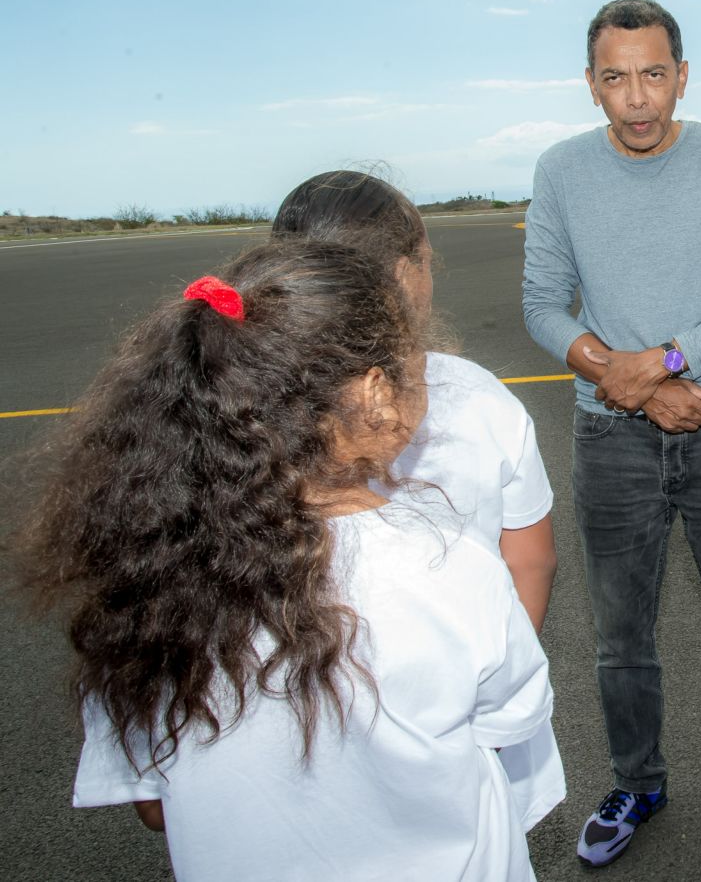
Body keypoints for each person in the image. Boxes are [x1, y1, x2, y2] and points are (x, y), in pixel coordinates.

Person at [25, 240, 555, 880]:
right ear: (375, 395)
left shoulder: (141, 587)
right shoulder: (452, 571)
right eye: (416, 374)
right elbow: (505, 724)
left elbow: (155, 807)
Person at [520, 0, 701, 867]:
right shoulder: (561, 170)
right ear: (591, 86)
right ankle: (637, 783)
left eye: (652, 74)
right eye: (615, 78)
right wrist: (630, 384)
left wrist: (666, 362)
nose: (637, 98)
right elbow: (540, 305)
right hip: (612, 436)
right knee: (618, 638)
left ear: (682, 76)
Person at [272, 170, 559, 635]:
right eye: (426, 259)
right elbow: (531, 561)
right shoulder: (480, 398)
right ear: (405, 275)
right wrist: (506, 673)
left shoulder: (232, 392)